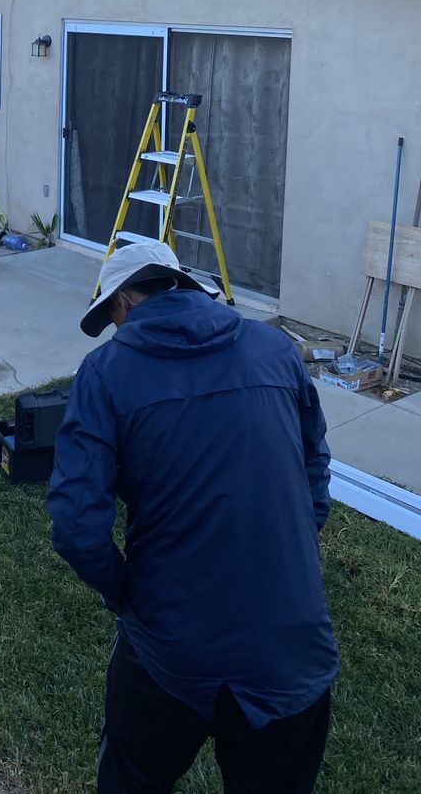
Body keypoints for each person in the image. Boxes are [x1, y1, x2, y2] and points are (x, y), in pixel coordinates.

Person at [47, 240, 337, 794]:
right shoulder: (275, 350)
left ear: (125, 304)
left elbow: (76, 524)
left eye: (110, 314)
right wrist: (296, 538)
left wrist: (124, 592)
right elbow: (314, 464)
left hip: (169, 648)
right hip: (291, 648)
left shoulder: (106, 373)